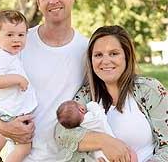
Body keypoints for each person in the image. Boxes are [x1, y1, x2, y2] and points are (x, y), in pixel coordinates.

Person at [0, 0, 132, 162]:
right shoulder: (18, 43)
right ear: (38, 2)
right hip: (20, 156)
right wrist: (2, 127)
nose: (53, 0)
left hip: (69, 157)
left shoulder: (88, 51)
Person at [55, 25, 168, 162]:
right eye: (98, 55)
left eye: (114, 53)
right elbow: (61, 133)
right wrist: (105, 141)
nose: (106, 61)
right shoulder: (87, 95)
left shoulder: (149, 90)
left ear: (126, 55)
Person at [0, 10, 38, 162]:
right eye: (10, 35)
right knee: (24, 148)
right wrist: (17, 79)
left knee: (1, 134)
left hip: (8, 109)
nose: (16, 39)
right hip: (12, 111)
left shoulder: (8, 54)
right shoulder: (0, 56)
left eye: (21, 35)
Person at [56, 101, 138, 162]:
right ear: (81, 109)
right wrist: (89, 105)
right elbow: (97, 108)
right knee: (131, 154)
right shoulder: (92, 118)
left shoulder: (81, 127)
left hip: (100, 156)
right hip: (114, 149)